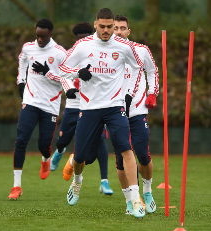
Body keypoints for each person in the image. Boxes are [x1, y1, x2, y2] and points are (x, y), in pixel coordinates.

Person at [59, 8, 145, 218]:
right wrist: (78, 72)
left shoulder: (123, 46)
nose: (107, 31)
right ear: (95, 24)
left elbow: (137, 67)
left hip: (115, 107)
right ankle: (77, 182)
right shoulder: (83, 45)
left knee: (126, 149)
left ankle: (135, 199)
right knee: (80, 157)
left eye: (110, 26)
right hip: (89, 108)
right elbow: (61, 68)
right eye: (103, 26)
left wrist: (128, 93)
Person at [50, 22, 113, 195]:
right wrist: (68, 88)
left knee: (100, 140)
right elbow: (63, 73)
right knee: (63, 140)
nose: (82, 41)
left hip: (93, 105)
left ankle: (104, 181)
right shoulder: (73, 52)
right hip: (73, 105)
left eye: (85, 37)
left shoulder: (99, 51)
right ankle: (61, 151)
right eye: (79, 39)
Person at [8, 18, 67, 200]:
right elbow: (22, 61)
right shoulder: (28, 47)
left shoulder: (60, 53)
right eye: (37, 36)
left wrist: (47, 72)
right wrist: (21, 81)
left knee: (44, 146)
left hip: (50, 105)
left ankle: (45, 159)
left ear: (50, 33)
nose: (39, 40)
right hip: (30, 101)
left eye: (43, 36)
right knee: (21, 140)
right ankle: (16, 186)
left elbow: (67, 79)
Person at [113, 15, 159, 214]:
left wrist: (152, 93)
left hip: (138, 110)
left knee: (143, 155)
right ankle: (130, 200)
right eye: (115, 28)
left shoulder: (141, 50)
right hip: (114, 112)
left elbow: (152, 71)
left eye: (123, 28)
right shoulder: (104, 53)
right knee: (121, 160)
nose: (119, 32)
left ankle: (147, 192)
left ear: (128, 31)